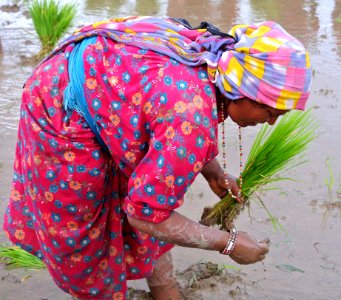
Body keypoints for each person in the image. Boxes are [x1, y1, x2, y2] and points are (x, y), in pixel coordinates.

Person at [3, 16, 312, 300]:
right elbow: (147, 214)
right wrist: (227, 243)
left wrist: (214, 173)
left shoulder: (214, 62)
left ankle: (165, 288)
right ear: (243, 89)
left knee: (150, 188)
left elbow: (161, 121)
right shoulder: (191, 115)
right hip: (59, 102)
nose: (271, 122)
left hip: (105, 90)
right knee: (87, 223)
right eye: (270, 112)